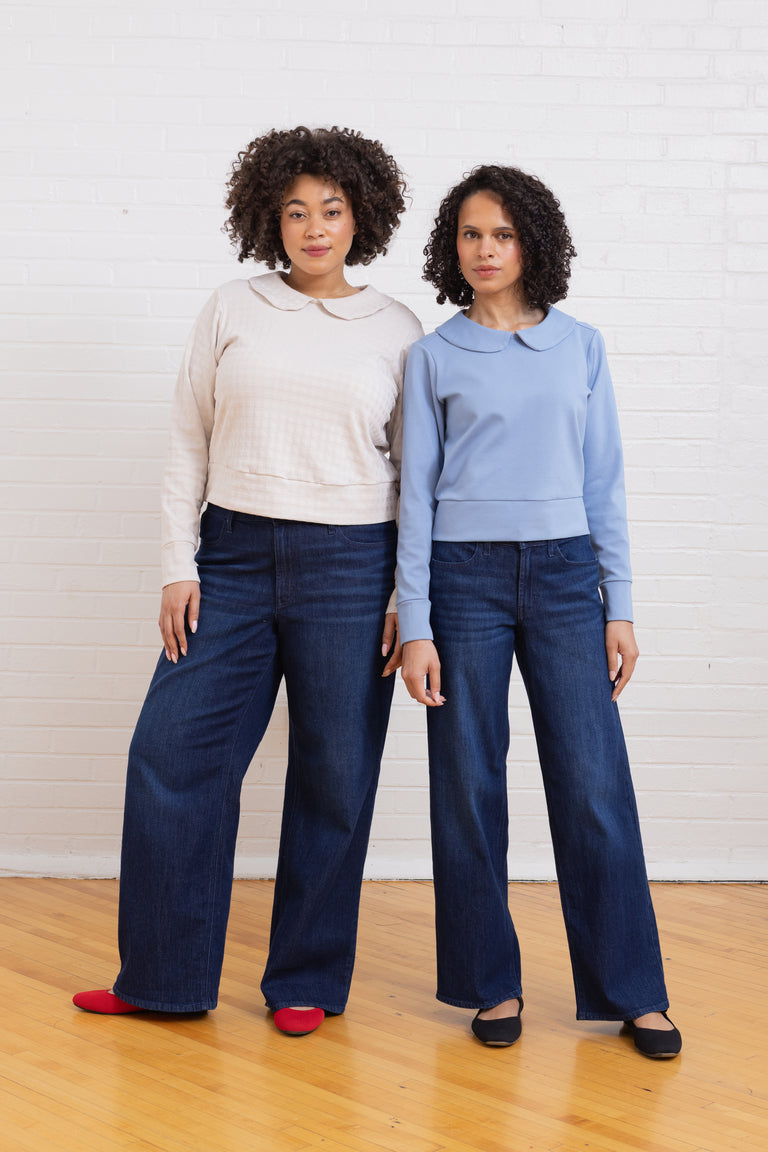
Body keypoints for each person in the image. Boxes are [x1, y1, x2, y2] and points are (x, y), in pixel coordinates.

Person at [73, 126, 423, 1036]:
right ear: (270, 216)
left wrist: (403, 598)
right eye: (297, 210)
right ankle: (161, 977)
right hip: (227, 557)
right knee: (171, 756)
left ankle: (304, 979)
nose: (315, 228)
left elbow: (417, 478)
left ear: (362, 217)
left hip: (353, 567)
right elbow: (188, 438)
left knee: (334, 774)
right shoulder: (232, 306)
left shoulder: (396, 329)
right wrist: (174, 565)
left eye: (333, 211)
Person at [396, 164, 681, 1058]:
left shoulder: (582, 346)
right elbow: (414, 497)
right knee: (470, 785)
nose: (485, 251)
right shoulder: (432, 355)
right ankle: (491, 984)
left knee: (594, 785)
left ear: (534, 245)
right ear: (454, 246)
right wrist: (414, 622)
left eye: (503, 235)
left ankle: (631, 990)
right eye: (472, 235)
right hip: (462, 579)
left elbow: (605, 481)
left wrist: (618, 603)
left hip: (564, 580)